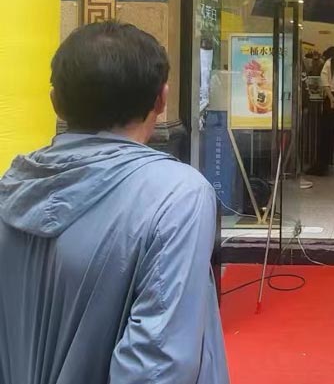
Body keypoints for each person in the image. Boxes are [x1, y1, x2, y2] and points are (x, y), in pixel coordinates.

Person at [0, 21, 228, 384]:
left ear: (55, 102)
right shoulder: (176, 194)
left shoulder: (10, 187)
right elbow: (157, 367)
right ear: (161, 99)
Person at [308, 45, 334, 176]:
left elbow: (324, 83)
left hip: (331, 97)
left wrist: (332, 99)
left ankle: (322, 165)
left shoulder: (329, 63)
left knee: (326, 134)